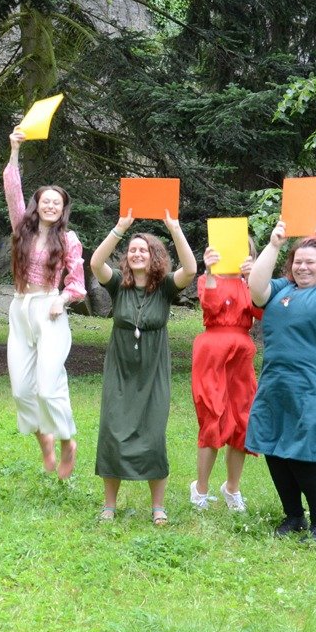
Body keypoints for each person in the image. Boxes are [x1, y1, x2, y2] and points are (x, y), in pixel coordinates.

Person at [246, 219, 316, 542]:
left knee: (305, 455)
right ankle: (294, 516)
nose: (303, 267)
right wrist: (274, 244)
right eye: (298, 262)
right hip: (278, 387)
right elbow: (256, 288)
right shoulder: (282, 290)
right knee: (274, 450)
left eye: (311, 262)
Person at [89, 209, 197, 525]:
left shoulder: (165, 286)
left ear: (154, 257)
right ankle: (109, 505)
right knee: (112, 431)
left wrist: (175, 229)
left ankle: (158, 507)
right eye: (133, 250)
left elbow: (191, 269)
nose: (137, 254)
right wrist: (120, 227)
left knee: (153, 434)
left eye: (144, 250)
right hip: (120, 370)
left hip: (153, 372)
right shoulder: (117, 284)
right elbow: (95, 263)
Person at [4, 129, 86, 479]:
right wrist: (14, 150)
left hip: (50, 310)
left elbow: (77, 284)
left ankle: (67, 441)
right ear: (37, 205)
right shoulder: (21, 229)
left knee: (48, 384)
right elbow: (12, 190)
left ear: (63, 209)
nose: (51, 205)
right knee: (22, 389)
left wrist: (62, 300)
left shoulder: (68, 239)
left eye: (57, 202)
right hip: (20, 309)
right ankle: (45, 439)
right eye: (45, 201)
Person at [188, 244, 260, 512]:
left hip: (241, 353)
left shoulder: (250, 283)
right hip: (212, 353)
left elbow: (260, 312)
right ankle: (200, 489)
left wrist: (253, 279)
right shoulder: (207, 279)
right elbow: (211, 306)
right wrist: (210, 272)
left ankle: (232, 488)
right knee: (212, 416)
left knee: (242, 421)